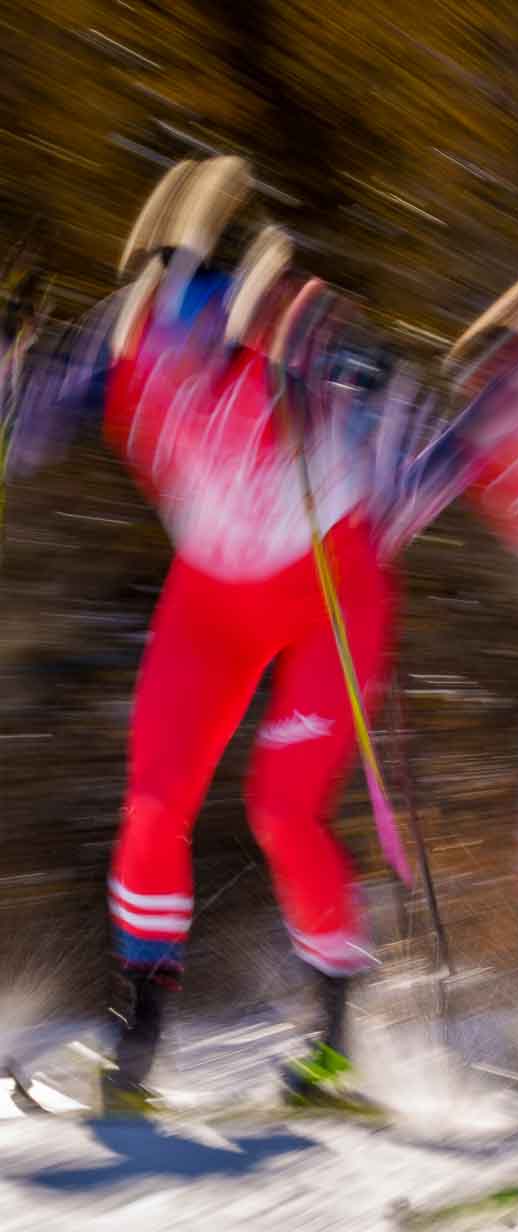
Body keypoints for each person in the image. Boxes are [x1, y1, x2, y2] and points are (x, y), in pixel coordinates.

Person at [6, 158, 411, 1112]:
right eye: (163, 297)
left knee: (283, 811)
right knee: (153, 805)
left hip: (329, 595)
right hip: (211, 602)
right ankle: (137, 1045)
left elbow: (399, 427)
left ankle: (338, 1045)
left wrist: (361, 386)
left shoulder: (295, 322)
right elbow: (20, 429)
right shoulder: (120, 340)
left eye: (206, 299)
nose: (178, 328)